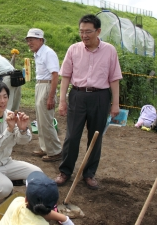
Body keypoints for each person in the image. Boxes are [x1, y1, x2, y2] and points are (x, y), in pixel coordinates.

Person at [55, 14, 122, 189]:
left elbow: (114, 79)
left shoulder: (110, 51)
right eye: (81, 31)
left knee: (95, 137)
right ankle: (65, 171)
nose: (84, 35)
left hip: (100, 97)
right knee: (72, 136)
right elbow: (66, 77)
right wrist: (62, 101)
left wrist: (115, 103)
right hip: (77, 95)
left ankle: (89, 174)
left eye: (88, 32)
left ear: (98, 31)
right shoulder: (73, 49)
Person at [0, 81, 42, 210]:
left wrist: (22, 129)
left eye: (5, 97)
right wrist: (10, 129)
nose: (3, 101)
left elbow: (23, 141)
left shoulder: (10, 115)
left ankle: (7, 180)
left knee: (37, 174)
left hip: (6, 163)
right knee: (5, 188)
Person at [25, 28, 62, 162]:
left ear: (40, 40)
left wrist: (51, 96)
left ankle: (55, 151)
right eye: (28, 40)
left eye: (32, 40)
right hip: (40, 85)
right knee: (40, 120)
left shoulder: (48, 53)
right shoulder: (38, 53)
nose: (29, 43)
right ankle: (45, 147)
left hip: (47, 86)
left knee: (46, 121)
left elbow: (55, 75)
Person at [0, 171, 75, 225]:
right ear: (54, 206)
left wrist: (64, 219)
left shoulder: (17, 201)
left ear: (25, 199)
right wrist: (67, 221)